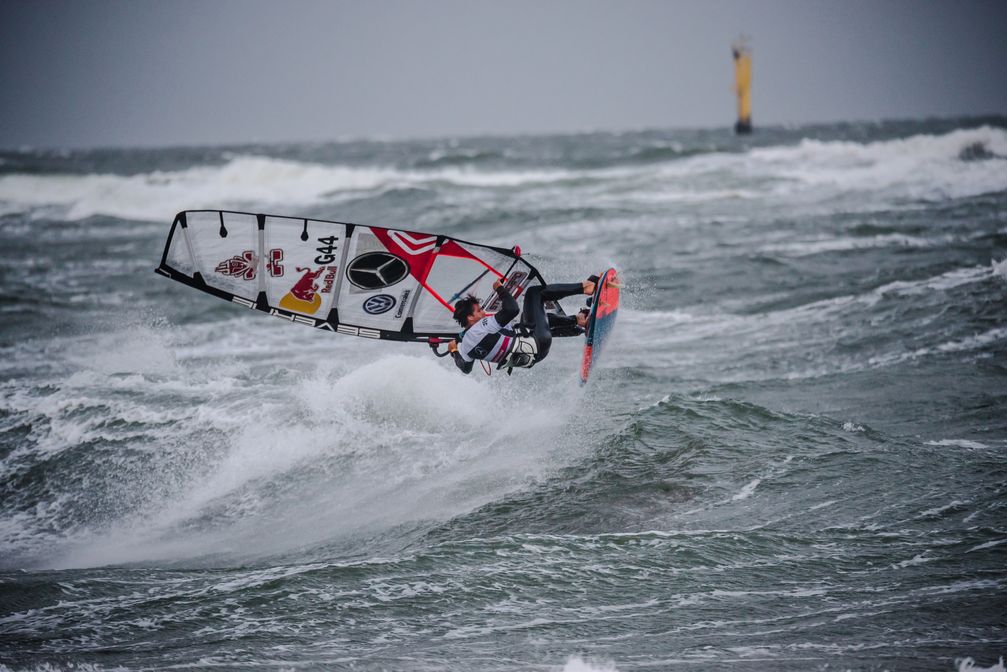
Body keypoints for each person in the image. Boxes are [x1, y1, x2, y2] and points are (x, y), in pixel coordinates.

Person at [448, 275, 597, 374]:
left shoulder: (466, 347)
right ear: (470, 317)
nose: (483, 313)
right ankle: (585, 287)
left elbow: (465, 368)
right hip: (538, 340)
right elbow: (512, 309)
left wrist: (454, 351)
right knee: (534, 293)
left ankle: (578, 323)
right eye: (479, 311)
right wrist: (499, 289)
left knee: (527, 319)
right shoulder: (481, 327)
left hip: (535, 357)